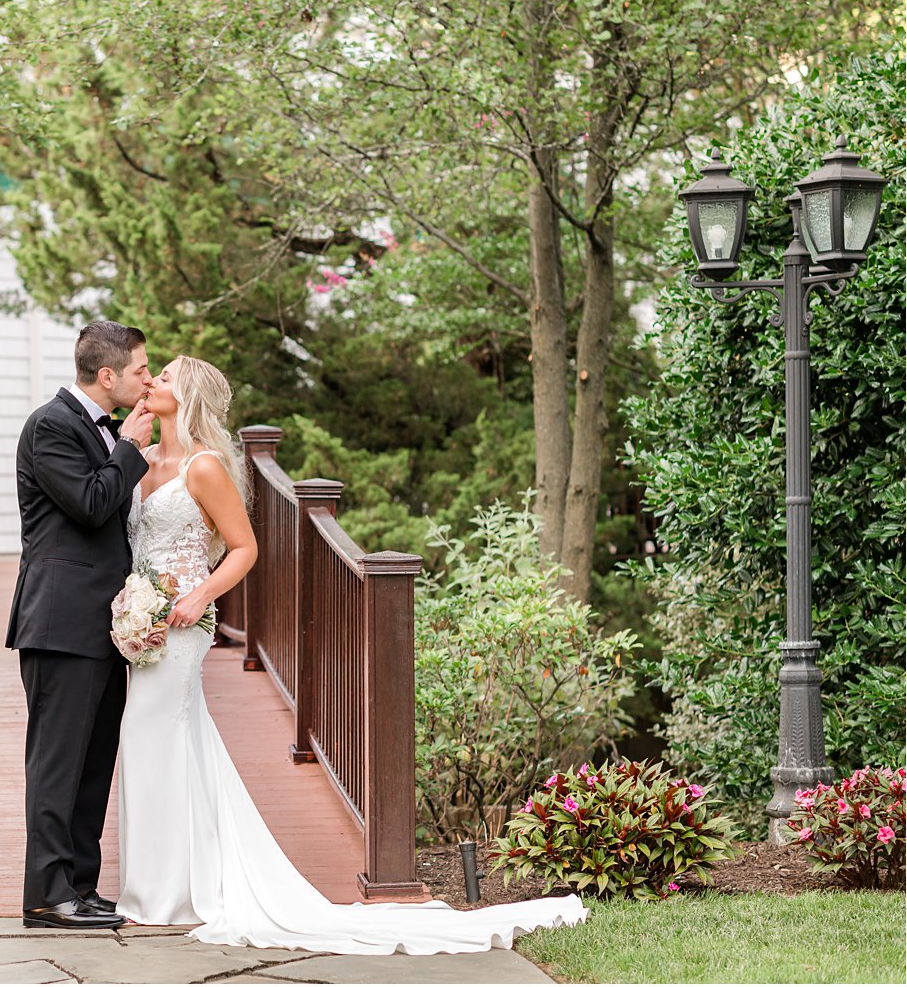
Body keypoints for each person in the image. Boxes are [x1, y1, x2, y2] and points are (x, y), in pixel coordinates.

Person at [115, 355, 588, 955]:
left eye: (164, 376)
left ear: (187, 395)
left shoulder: (204, 468)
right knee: (154, 741)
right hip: (144, 617)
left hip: (182, 623)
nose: (151, 381)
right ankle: (165, 888)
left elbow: (243, 548)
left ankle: (162, 897)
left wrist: (198, 596)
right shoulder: (147, 460)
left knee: (155, 732)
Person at [7, 320, 154, 930]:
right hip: (60, 623)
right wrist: (131, 449)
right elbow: (92, 505)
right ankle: (46, 895)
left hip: (102, 626)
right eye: (142, 370)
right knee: (57, 765)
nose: (148, 380)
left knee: (95, 765)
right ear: (108, 375)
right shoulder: (51, 426)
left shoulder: (103, 430)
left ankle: (82, 887)